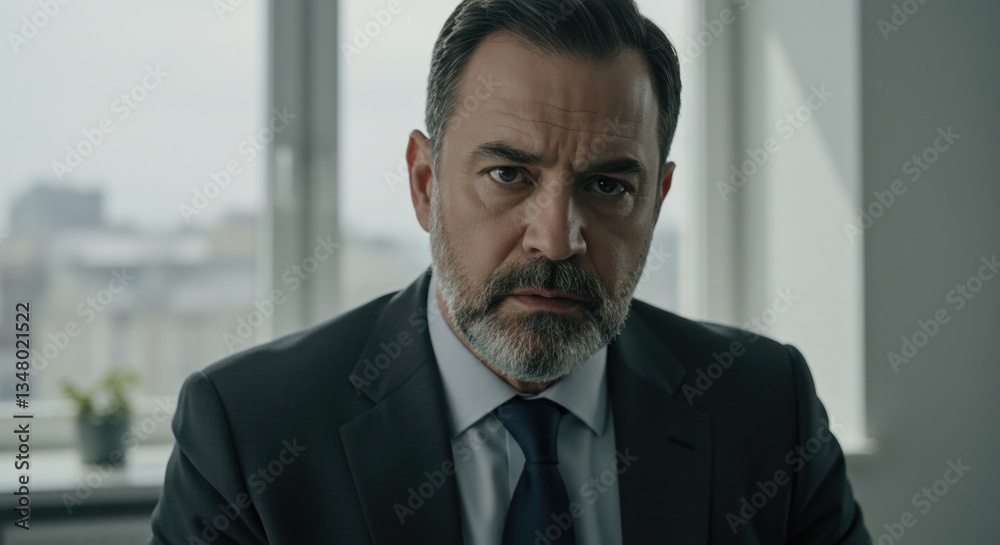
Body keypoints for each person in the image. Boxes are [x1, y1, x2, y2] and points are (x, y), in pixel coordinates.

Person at [147, 0, 870, 543]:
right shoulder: (250, 431)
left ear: (657, 200)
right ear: (425, 184)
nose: (555, 242)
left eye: (608, 186)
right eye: (508, 174)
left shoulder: (766, 407)